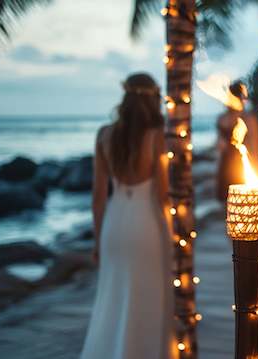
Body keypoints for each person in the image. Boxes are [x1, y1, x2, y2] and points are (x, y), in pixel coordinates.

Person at [81, 73, 173, 359]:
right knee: (150, 297)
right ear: (152, 98)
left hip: (115, 223)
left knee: (113, 294)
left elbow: (98, 197)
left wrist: (98, 243)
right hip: (147, 224)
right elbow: (162, 194)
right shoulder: (156, 135)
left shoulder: (103, 134)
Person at [215, 80, 258, 202]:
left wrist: (254, 162)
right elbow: (219, 140)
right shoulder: (222, 118)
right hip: (226, 161)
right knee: (226, 196)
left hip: (242, 161)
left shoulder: (248, 118)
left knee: (242, 198)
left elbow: (255, 142)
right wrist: (220, 145)